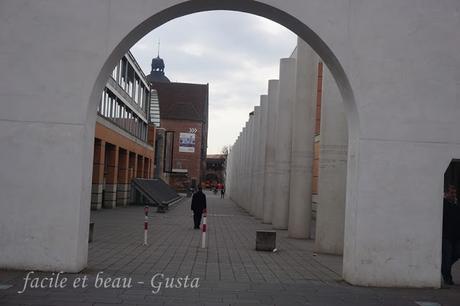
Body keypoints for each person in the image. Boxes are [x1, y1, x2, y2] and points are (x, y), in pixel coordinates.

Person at [442, 185, 460, 285]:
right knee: (447, 256)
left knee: (457, 253)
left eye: (454, 193)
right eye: (451, 193)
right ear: (446, 194)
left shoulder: (456, 205)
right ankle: (447, 277)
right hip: (446, 236)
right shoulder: (443, 204)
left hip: (456, 237)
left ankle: (443, 268)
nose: (453, 195)